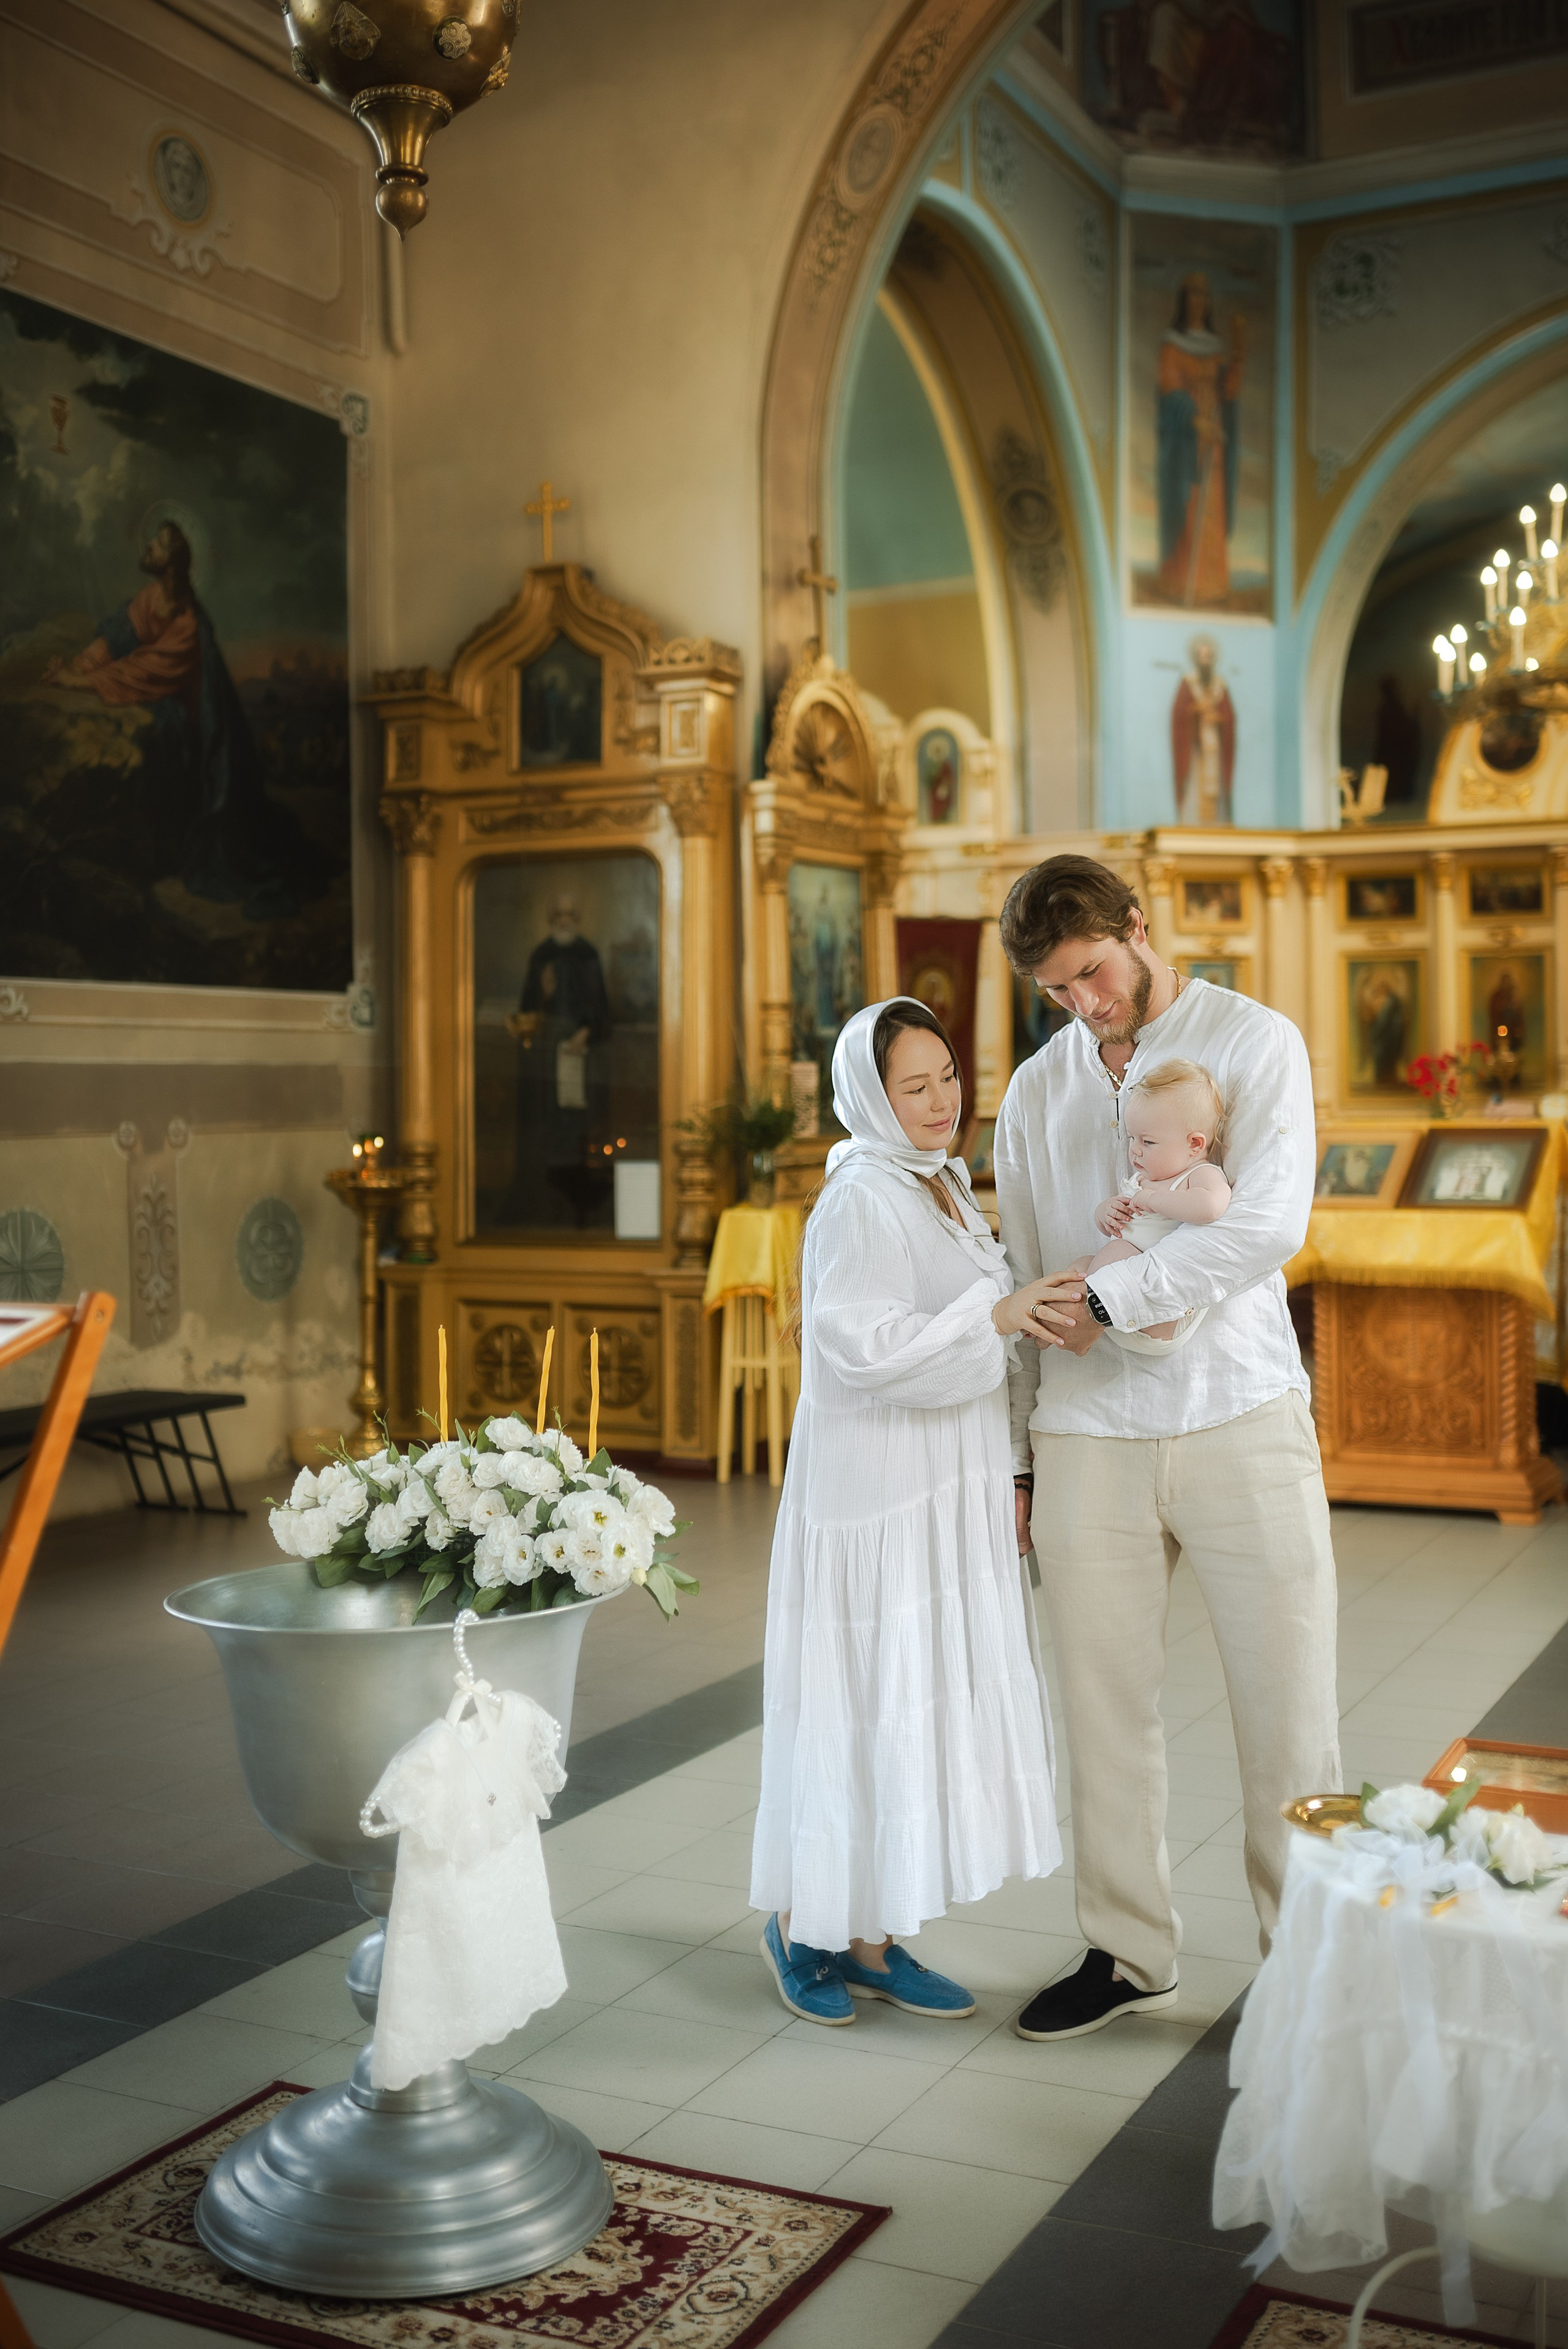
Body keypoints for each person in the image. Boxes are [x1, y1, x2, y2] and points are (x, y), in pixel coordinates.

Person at [993, 854, 1340, 2042]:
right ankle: (1126, 1949)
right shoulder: (1036, 1092)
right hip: (1085, 1433)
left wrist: (1112, 1299)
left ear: (1138, 929)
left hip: (1240, 1410)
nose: (1082, 1004)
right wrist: (1021, 1459)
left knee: (1287, 1709)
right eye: (1056, 991)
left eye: (1091, 972)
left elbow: (1263, 1225)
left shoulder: (1252, 1040)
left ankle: (1306, 1965)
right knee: (1099, 1711)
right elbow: (1025, 1270)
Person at [750, 997, 1079, 2025]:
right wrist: (996, 1314)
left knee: (910, 1700)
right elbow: (864, 1348)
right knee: (856, 1701)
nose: (943, 1101)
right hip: (875, 1497)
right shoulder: (860, 1197)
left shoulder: (936, 1182)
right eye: (916, 1086)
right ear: (871, 1097)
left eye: (948, 1076)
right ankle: (804, 1924)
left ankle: (873, 1935)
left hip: (941, 1486)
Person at [1076, 1058, 1232, 1347]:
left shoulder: (1199, 1174)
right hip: (1118, 1297)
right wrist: (1105, 1213)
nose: (1134, 1151)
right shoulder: (1141, 1181)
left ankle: (1081, 1312)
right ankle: (1054, 1319)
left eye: (1148, 1142)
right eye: (1132, 1138)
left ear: (1194, 1145)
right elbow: (1117, 1227)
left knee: (1102, 1265)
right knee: (1076, 1270)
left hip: (1160, 1308)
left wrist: (1156, 1200)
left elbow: (1211, 1207)